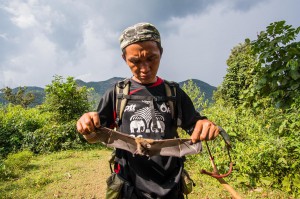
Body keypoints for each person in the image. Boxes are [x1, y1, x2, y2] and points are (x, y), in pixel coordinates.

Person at [77, 22, 219, 199]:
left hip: (171, 188)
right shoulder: (117, 94)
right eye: (135, 61)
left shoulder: (174, 93)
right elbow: (95, 133)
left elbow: (195, 124)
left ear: (161, 52)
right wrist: (86, 124)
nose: (144, 69)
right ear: (124, 58)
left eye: (151, 58)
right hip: (130, 188)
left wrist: (205, 125)